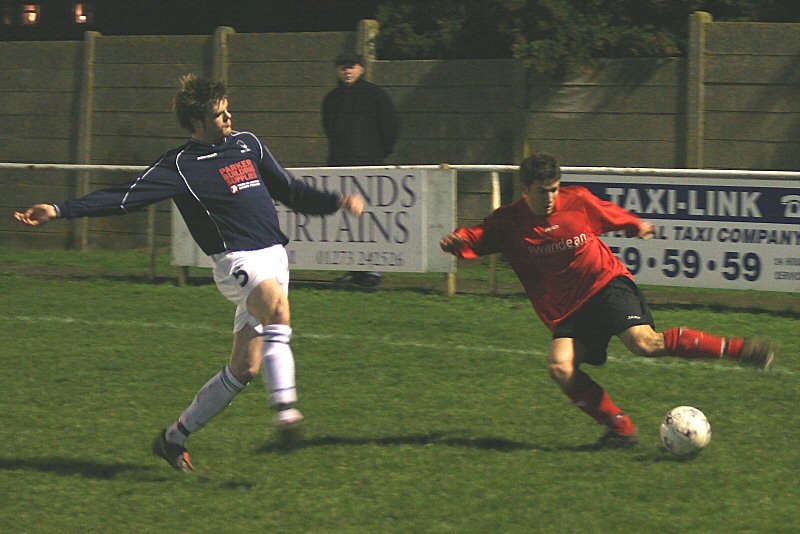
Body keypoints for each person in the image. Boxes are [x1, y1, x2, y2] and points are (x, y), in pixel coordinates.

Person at [15, 74, 365, 472]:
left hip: (275, 258)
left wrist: (336, 201)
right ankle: (287, 415)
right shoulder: (179, 166)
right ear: (197, 124)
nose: (228, 117)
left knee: (244, 368)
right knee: (278, 312)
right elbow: (123, 197)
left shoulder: (247, 144)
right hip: (238, 263)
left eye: (227, 109)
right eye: (219, 115)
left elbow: (289, 190)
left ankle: (172, 438)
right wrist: (60, 210)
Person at [439, 153, 777, 449]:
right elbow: (479, 235)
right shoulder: (508, 222)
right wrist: (458, 240)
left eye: (554, 189)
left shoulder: (577, 200)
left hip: (605, 285)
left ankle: (742, 350)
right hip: (567, 310)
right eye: (542, 191)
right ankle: (621, 430)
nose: (550, 198)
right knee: (560, 368)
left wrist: (635, 225)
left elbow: (608, 213)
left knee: (645, 344)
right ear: (525, 189)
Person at [322, 52, 399, 288]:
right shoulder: (332, 99)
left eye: (352, 67)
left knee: (371, 217)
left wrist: (378, 154)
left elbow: (391, 125)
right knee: (347, 219)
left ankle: (374, 270)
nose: (347, 71)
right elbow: (329, 129)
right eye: (343, 67)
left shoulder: (376, 95)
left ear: (361, 69)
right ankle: (354, 268)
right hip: (340, 165)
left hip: (370, 165)